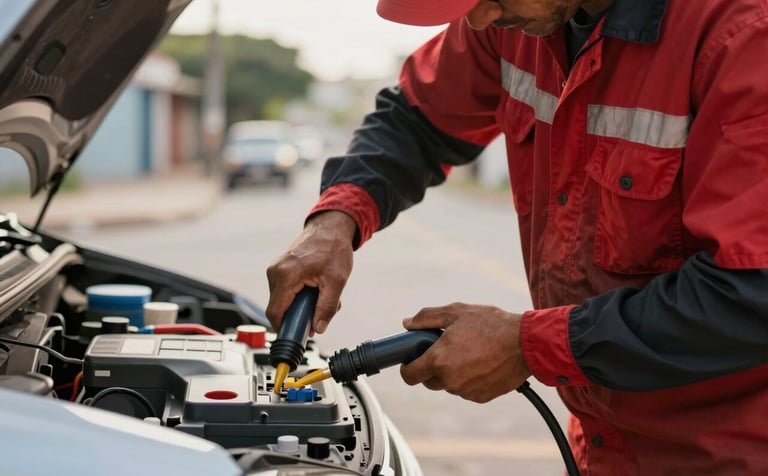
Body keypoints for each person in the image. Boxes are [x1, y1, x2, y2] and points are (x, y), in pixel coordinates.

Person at [266, 0, 768, 473]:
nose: (480, 17)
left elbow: (750, 297)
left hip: (733, 452)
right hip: (606, 443)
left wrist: (529, 345)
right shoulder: (516, 21)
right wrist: (335, 221)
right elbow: (414, 119)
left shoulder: (742, 35)